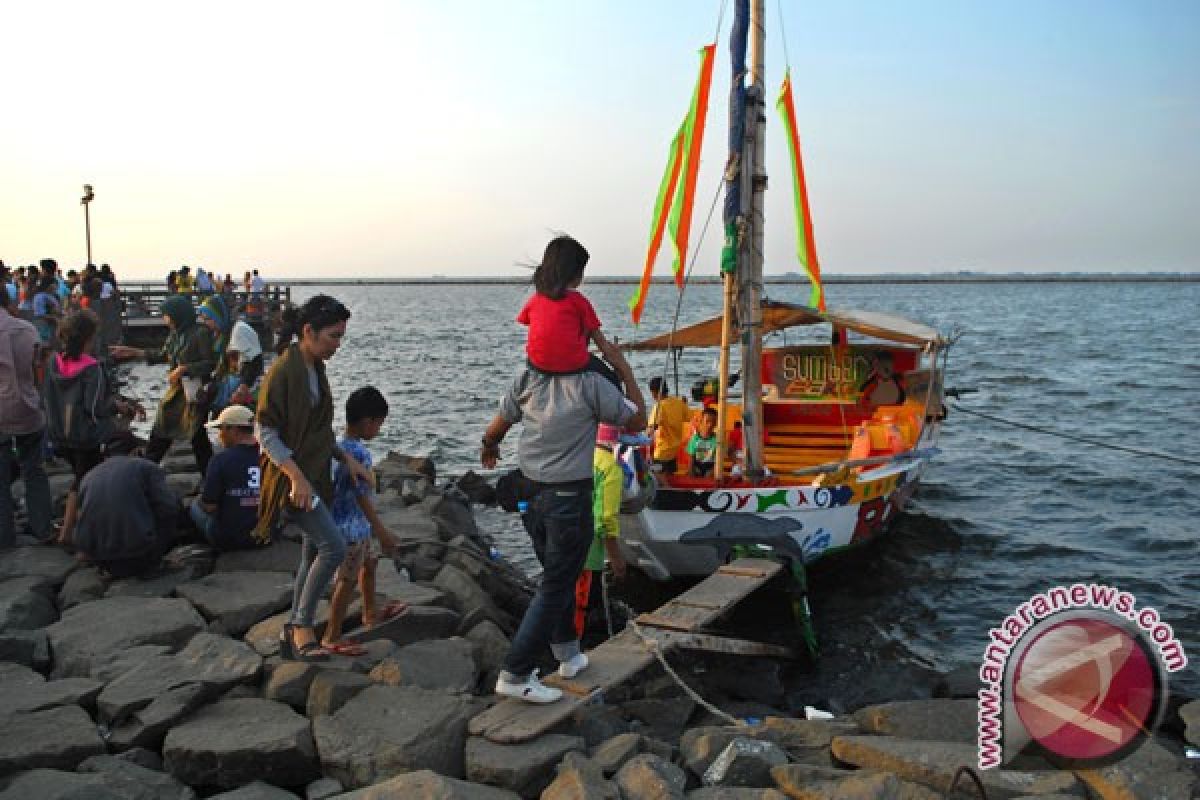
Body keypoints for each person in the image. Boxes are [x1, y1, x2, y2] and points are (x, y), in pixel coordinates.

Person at [480, 348, 646, 703]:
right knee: (556, 586)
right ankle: (515, 672)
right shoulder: (591, 384)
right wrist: (624, 369)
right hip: (568, 499)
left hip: (530, 495)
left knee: (558, 577)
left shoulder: (528, 377)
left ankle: (568, 654)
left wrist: (489, 446)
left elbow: (495, 428)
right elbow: (638, 422)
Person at [254, 295, 371, 662]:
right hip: (294, 481)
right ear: (308, 332)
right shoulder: (285, 372)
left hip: (316, 474)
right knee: (333, 547)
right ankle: (303, 625)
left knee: (311, 550)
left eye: (341, 337)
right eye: (333, 336)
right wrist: (295, 479)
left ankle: (293, 632)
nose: (337, 344)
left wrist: (344, 458)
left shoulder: (314, 368)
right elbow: (265, 431)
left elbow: (319, 431)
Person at [43, 311, 140, 547]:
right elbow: (94, 408)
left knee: (80, 476)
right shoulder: (92, 368)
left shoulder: (55, 362)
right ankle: (84, 531)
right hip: (87, 435)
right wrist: (118, 408)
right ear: (89, 338)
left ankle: (68, 527)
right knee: (92, 475)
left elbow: (47, 397)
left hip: (59, 434)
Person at [321, 387, 406, 655]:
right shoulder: (359, 455)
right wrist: (382, 531)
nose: (379, 430)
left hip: (352, 523)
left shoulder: (339, 447)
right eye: (379, 424)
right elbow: (361, 498)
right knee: (346, 580)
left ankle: (371, 613)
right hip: (350, 528)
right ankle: (331, 635)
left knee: (369, 564)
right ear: (369, 421)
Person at [109, 295, 215, 474]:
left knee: (197, 436)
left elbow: (210, 363)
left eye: (167, 315)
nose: (165, 319)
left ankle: (209, 476)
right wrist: (133, 352)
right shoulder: (175, 335)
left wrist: (184, 369)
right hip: (176, 393)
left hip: (193, 393)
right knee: (163, 426)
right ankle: (148, 466)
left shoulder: (200, 333)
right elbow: (163, 355)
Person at [516, 235, 631, 385]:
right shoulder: (579, 301)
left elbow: (531, 323)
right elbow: (601, 344)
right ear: (576, 273)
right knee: (611, 379)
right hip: (573, 366)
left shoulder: (535, 300)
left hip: (537, 365)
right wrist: (618, 364)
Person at [0, 286, 51, 547]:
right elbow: (37, 368)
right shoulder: (26, 329)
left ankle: (4, 535)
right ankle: (42, 527)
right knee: (35, 470)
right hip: (29, 408)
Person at [74, 456, 179, 578]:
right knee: (172, 506)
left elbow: (82, 516)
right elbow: (169, 507)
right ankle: (155, 561)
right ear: (134, 451)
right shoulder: (146, 466)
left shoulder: (89, 476)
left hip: (101, 559)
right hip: (139, 556)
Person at [573, 423, 628, 638]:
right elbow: (605, 519)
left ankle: (562, 647)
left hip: (564, 541)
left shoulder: (580, 456)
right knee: (582, 603)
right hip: (588, 551)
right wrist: (616, 558)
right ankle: (574, 652)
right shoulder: (610, 468)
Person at [188, 405, 261, 550]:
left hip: (229, 538)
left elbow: (210, 506)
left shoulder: (220, 460)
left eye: (221, 429)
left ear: (232, 429)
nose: (219, 435)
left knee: (195, 506)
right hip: (265, 535)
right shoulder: (271, 457)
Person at [197, 294, 263, 412]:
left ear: (217, 316)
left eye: (208, 319)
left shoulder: (240, 330)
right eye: (204, 319)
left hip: (246, 392)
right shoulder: (222, 334)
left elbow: (254, 362)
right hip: (232, 390)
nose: (206, 323)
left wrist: (243, 388)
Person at [647, 376, 689, 475]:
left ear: (653, 392)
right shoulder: (678, 402)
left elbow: (652, 428)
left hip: (662, 451)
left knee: (657, 474)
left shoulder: (659, 407)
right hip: (674, 449)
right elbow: (687, 417)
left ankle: (666, 489)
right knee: (669, 474)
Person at [686, 407, 719, 477]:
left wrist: (713, 471)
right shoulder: (694, 439)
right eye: (707, 421)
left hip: (710, 470)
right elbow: (690, 459)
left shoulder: (717, 440)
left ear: (716, 423)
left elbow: (718, 460)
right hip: (696, 468)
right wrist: (691, 474)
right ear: (701, 421)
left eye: (713, 422)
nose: (710, 425)